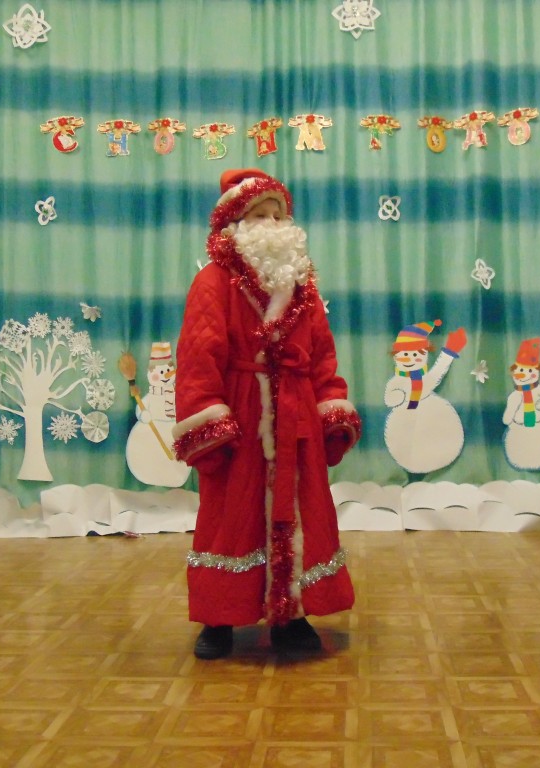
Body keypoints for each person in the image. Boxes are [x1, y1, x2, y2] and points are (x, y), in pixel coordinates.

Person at [172, 169, 361, 660]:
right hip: (242, 414)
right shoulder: (213, 282)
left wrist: (330, 407)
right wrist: (208, 422)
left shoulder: (302, 287)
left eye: (279, 215)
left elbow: (322, 354)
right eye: (260, 215)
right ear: (235, 225)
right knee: (229, 516)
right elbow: (197, 356)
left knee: (301, 513)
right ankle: (219, 615)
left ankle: (291, 615)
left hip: (296, 415)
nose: (273, 224)